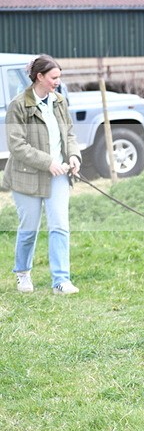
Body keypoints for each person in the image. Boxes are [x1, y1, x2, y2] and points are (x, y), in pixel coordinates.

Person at [4, 54, 82, 295]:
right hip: (26, 176)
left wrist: (74, 156)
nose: (58, 81)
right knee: (29, 228)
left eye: (59, 77)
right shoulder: (18, 104)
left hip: (58, 174)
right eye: (54, 77)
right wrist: (48, 162)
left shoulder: (59, 101)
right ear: (39, 77)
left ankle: (61, 281)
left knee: (60, 226)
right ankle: (22, 273)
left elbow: (69, 134)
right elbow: (16, 145)